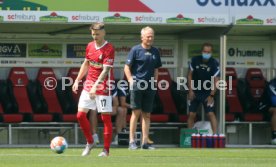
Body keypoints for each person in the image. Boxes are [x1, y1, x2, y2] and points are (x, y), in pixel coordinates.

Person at [72, 22, 114, 157]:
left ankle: (106, 150)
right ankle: (90, 142)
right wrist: (78, 80)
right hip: (89, 83)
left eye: (97, 34)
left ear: (103, 32)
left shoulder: (109, 49)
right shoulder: (90, 46)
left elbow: (106, 70)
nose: (95, 36)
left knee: (105, 118)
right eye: (93, 34)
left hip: (103, 86)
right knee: (80, 115)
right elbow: (86, 63)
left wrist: (96, 86)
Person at [124, 26, 162, 150]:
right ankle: (132, 142)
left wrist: (155, 83)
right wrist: (131, 81)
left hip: (150, 86)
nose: (150, 38)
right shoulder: (135, 50)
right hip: (137, 85)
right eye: (148, 36)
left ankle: (145, 143)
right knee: (136, 113)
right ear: (142, 37)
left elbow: (156, 69)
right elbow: (126, 67)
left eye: (152, 36)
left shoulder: (155, 51)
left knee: (147, 115)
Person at [187, 43, 219, 134]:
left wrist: (211, 95)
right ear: (202, 51)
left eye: (208, 52)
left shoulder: (214, 62)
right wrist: (190, 90)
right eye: (205, 51)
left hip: (207, 93)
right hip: (195, 92)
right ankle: (190, 136)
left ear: (211, 52)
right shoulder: (194, 60)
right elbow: (189, 75)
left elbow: (217, 80)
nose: (206, 53)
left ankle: (215, 136)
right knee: (191, 114)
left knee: (210, 114)